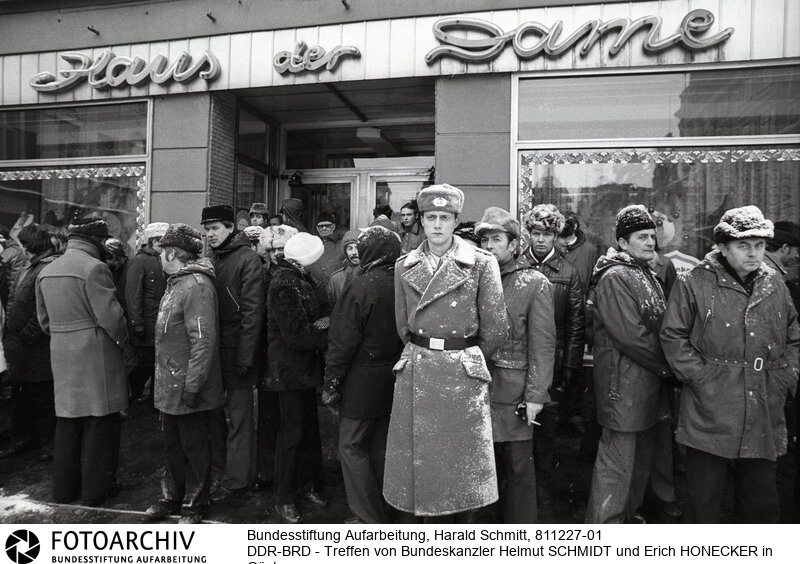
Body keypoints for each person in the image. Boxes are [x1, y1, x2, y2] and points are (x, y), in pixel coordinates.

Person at [660, 205, 799, 523]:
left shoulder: (774, 283)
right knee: (703, 501)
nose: (754, 254)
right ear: (723, 247)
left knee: (760, 501)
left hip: (763, 405)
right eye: (743, 246)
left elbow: (793, 336)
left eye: (760, 245)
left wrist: (784, 377)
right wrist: (702, 377)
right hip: (711, 409)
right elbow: (673, 336)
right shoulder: (695, 282)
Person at [384, 184, 509, 520]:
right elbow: (402, 324)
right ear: (421, 222)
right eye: (430, 217)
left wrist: (465, 357)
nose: (437, 224)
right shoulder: (404, 265)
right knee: (420, 467)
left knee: (460, 469)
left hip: (461, 374)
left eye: (444, 217)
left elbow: (496, 328)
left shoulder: (480, 263)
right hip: (419, 368)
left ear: (455, 221)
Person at [585, 205, 672, 524]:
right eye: (641, 237)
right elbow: (631, 336)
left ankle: (627, 518)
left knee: (639, 462)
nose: (651, 242)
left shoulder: (644, 273)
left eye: (652, 236)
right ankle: (603, 529)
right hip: (623, 386)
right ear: (622, 242)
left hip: (644, 384)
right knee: (617, 464)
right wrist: (669, 366)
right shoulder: (616, 276)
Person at [36, 218, 130, 506]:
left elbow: (44, 322)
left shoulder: (47, 270)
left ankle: (64, 491)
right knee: (100, 423)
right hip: (96, 353)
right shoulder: (95, 268)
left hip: (62, 353)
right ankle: (96, 490)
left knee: (67, 423)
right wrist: (124, 343)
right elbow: (111, 319)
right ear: (97, 240)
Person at [476, 207, 556, 524]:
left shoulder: (534, 283)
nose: (489, 246)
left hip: (514, 394)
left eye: (496, 239)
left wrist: (536, 396)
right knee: (481, 470)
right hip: (478, 387)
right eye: (484, 241)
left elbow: (543, 345)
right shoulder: (474, 278)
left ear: (514, 244)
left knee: (518, 469)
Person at [322, 225, 404, 524]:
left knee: (351, 445)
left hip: (362, 380)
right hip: (395, 377)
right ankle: (390, 508)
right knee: (382, 445)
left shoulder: (360, 285)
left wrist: (331, 383)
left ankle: (368, 516)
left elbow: (342, 342)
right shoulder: (404, 282)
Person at [146, 223, 223, 525]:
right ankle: (171, 497)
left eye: (162, 251)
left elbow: (203, 341)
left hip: (187, 386)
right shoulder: (176, 283)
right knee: (172, 446)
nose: (159, 257)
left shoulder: (196, 287)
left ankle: (195, 503)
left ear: (172, 252)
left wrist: (193, 386)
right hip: (169, 385)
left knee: (194, 447)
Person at [521, 204, 585, 513]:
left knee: (546, 432)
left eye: (548, 233)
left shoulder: (568, 271)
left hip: (553, 362)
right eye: (536, 233)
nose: (542, 240)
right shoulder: (517, 265)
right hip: (519, 358)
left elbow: (576, 323)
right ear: (529, 234)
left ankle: (542, 492)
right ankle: (518, 491)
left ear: (555, 235)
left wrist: (570, 366)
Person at [201, 204, 265, 501]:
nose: (209, 234)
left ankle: (238, 479)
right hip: (215, 350)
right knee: (216, 417)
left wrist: (245, 356)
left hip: (237, 351)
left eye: (214, 228)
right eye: (206, 229)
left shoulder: (247, 259)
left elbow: (253, 313)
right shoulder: (212, 258)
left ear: (230, 227)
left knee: (239, 419)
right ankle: (220, 470)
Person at [266, 232, 329, 523]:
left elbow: (320, 316)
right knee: (291, 436)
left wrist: (319, 324)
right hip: (289, 372)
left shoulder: (300, 278)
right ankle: (284, 497)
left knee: (307, 433)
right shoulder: (284, 283)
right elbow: (297, 335)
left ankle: (306, 485)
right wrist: (325, 329)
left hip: (302, 371)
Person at [1, 225, 57, 460]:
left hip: (34, 347)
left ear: (29, 246)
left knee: (41, 397)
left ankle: (47, 445)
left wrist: (28, 334)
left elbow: (45, 309)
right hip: (22, 348)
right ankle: (26, 440)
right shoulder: (32, 265)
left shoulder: (46, 267)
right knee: (23, 396)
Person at [252, 224, 298, 492]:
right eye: (271, 250)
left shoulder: (297, 276)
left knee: (292, 425)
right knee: (268, 420)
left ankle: (291, 481)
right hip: (267, 359)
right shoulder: (260, 277)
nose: (276, 254)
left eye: (282, 249)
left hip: (290, 360)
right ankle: (267, 473)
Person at [125, 222, 168, 404]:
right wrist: (137, 323)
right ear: (154, 241)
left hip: (158, 324)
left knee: (155, 366)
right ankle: (130, 397)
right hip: (147, 325)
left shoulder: (162, 260)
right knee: (145, 365)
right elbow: (133, 294)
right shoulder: (140, 261)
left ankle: (152, 401)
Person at [307, 210, 343, 305]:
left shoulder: (342, 244)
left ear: (334, 226)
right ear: (316, 228)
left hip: (337, 294)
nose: (324, 228)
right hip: (316, 295)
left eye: (327, 226)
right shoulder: (311, 244)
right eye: (320, 226)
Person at [327, 229, 361, 307]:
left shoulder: (371, 275)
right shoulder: (335, 279)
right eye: (350, 248)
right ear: (345, 252)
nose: (354, 252)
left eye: (357, 248)